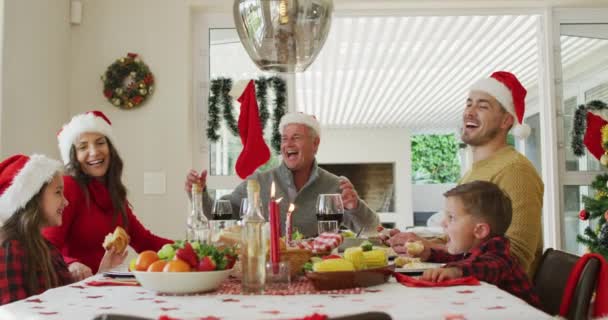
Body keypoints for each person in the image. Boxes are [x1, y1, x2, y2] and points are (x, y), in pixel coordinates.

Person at [390, 71, 543, 277]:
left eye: (482, 106)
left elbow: (515, 256)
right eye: (468, 104)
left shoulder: (516, 171)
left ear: (506, 120)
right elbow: (458, 242)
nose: (469, 112)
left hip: (498, 297)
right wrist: (423, 246)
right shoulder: (475, 170)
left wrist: (434, 249)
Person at [185, 112, 379, 237]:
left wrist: (355, 206)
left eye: (296, 137)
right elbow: (217, 215)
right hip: (269, 271)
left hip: (319, 271)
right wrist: (199, 194)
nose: (288, 144)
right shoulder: (257, 183)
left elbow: (371, 228)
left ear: (315, 143)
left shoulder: (335, 185)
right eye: (284, 139)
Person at [43, 111, 173, 279]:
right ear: (74, 156)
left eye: (100, 143)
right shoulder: (69, 187)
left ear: (110, 148)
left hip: (106, 285)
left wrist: (189, 248)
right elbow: (47, 246)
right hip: (75, 289)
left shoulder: (114, 192)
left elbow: (144, 241)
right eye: (83, 147)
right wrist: (71, 263)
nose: (94, 152)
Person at [0, 154, 124, 304]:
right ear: (33, 199)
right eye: (58, 192)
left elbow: (69, 302)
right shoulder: (9, 249)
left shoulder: (47, 248)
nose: (65, 202)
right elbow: (11, 314)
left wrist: (103, 273)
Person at [406, 181, 540, 307]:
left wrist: (455, 271)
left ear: (480, 230)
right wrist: (429, 254)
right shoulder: (475, 250)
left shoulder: (499, 257)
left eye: (451, 217)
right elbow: (458, 258)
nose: (443, 223)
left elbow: (484, 268)